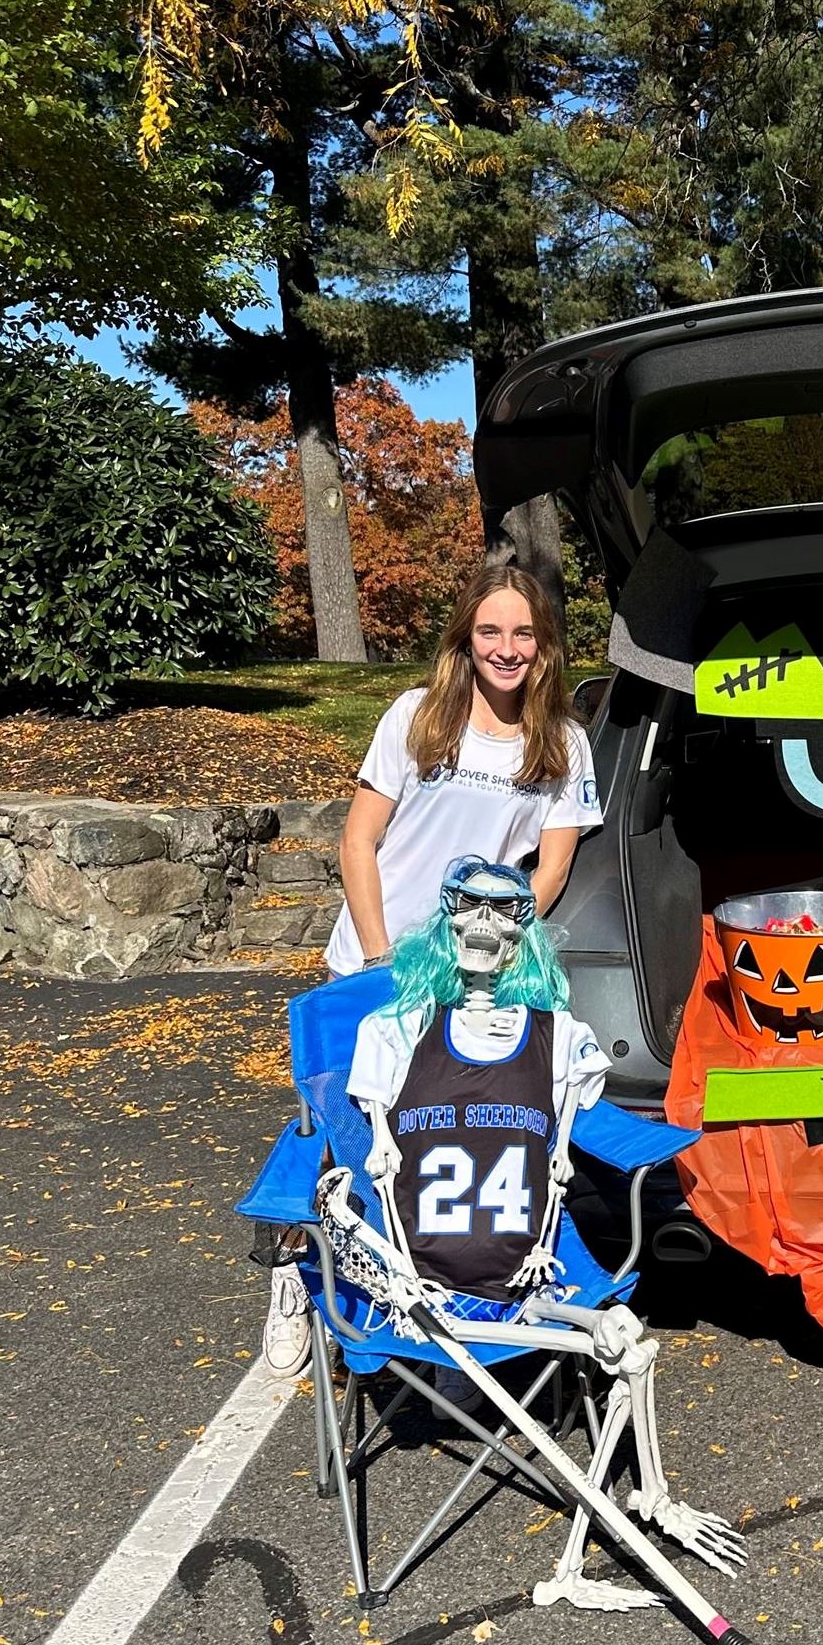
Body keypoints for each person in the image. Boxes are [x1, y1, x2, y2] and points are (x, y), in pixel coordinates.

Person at [260, 566, 601, 1372]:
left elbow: (548, 869)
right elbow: (358, 841)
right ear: (465, 637)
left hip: (469, 978)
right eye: (491, 631)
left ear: (544, 647)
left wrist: (497, 945)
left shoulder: (562, 744)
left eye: (523, 634)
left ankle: (429, 1284)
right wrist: (382, 962)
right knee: (336, 1138)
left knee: (424, 1142)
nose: (506, 649)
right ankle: (290, 1270)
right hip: (375, 966)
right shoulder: (417, 718)